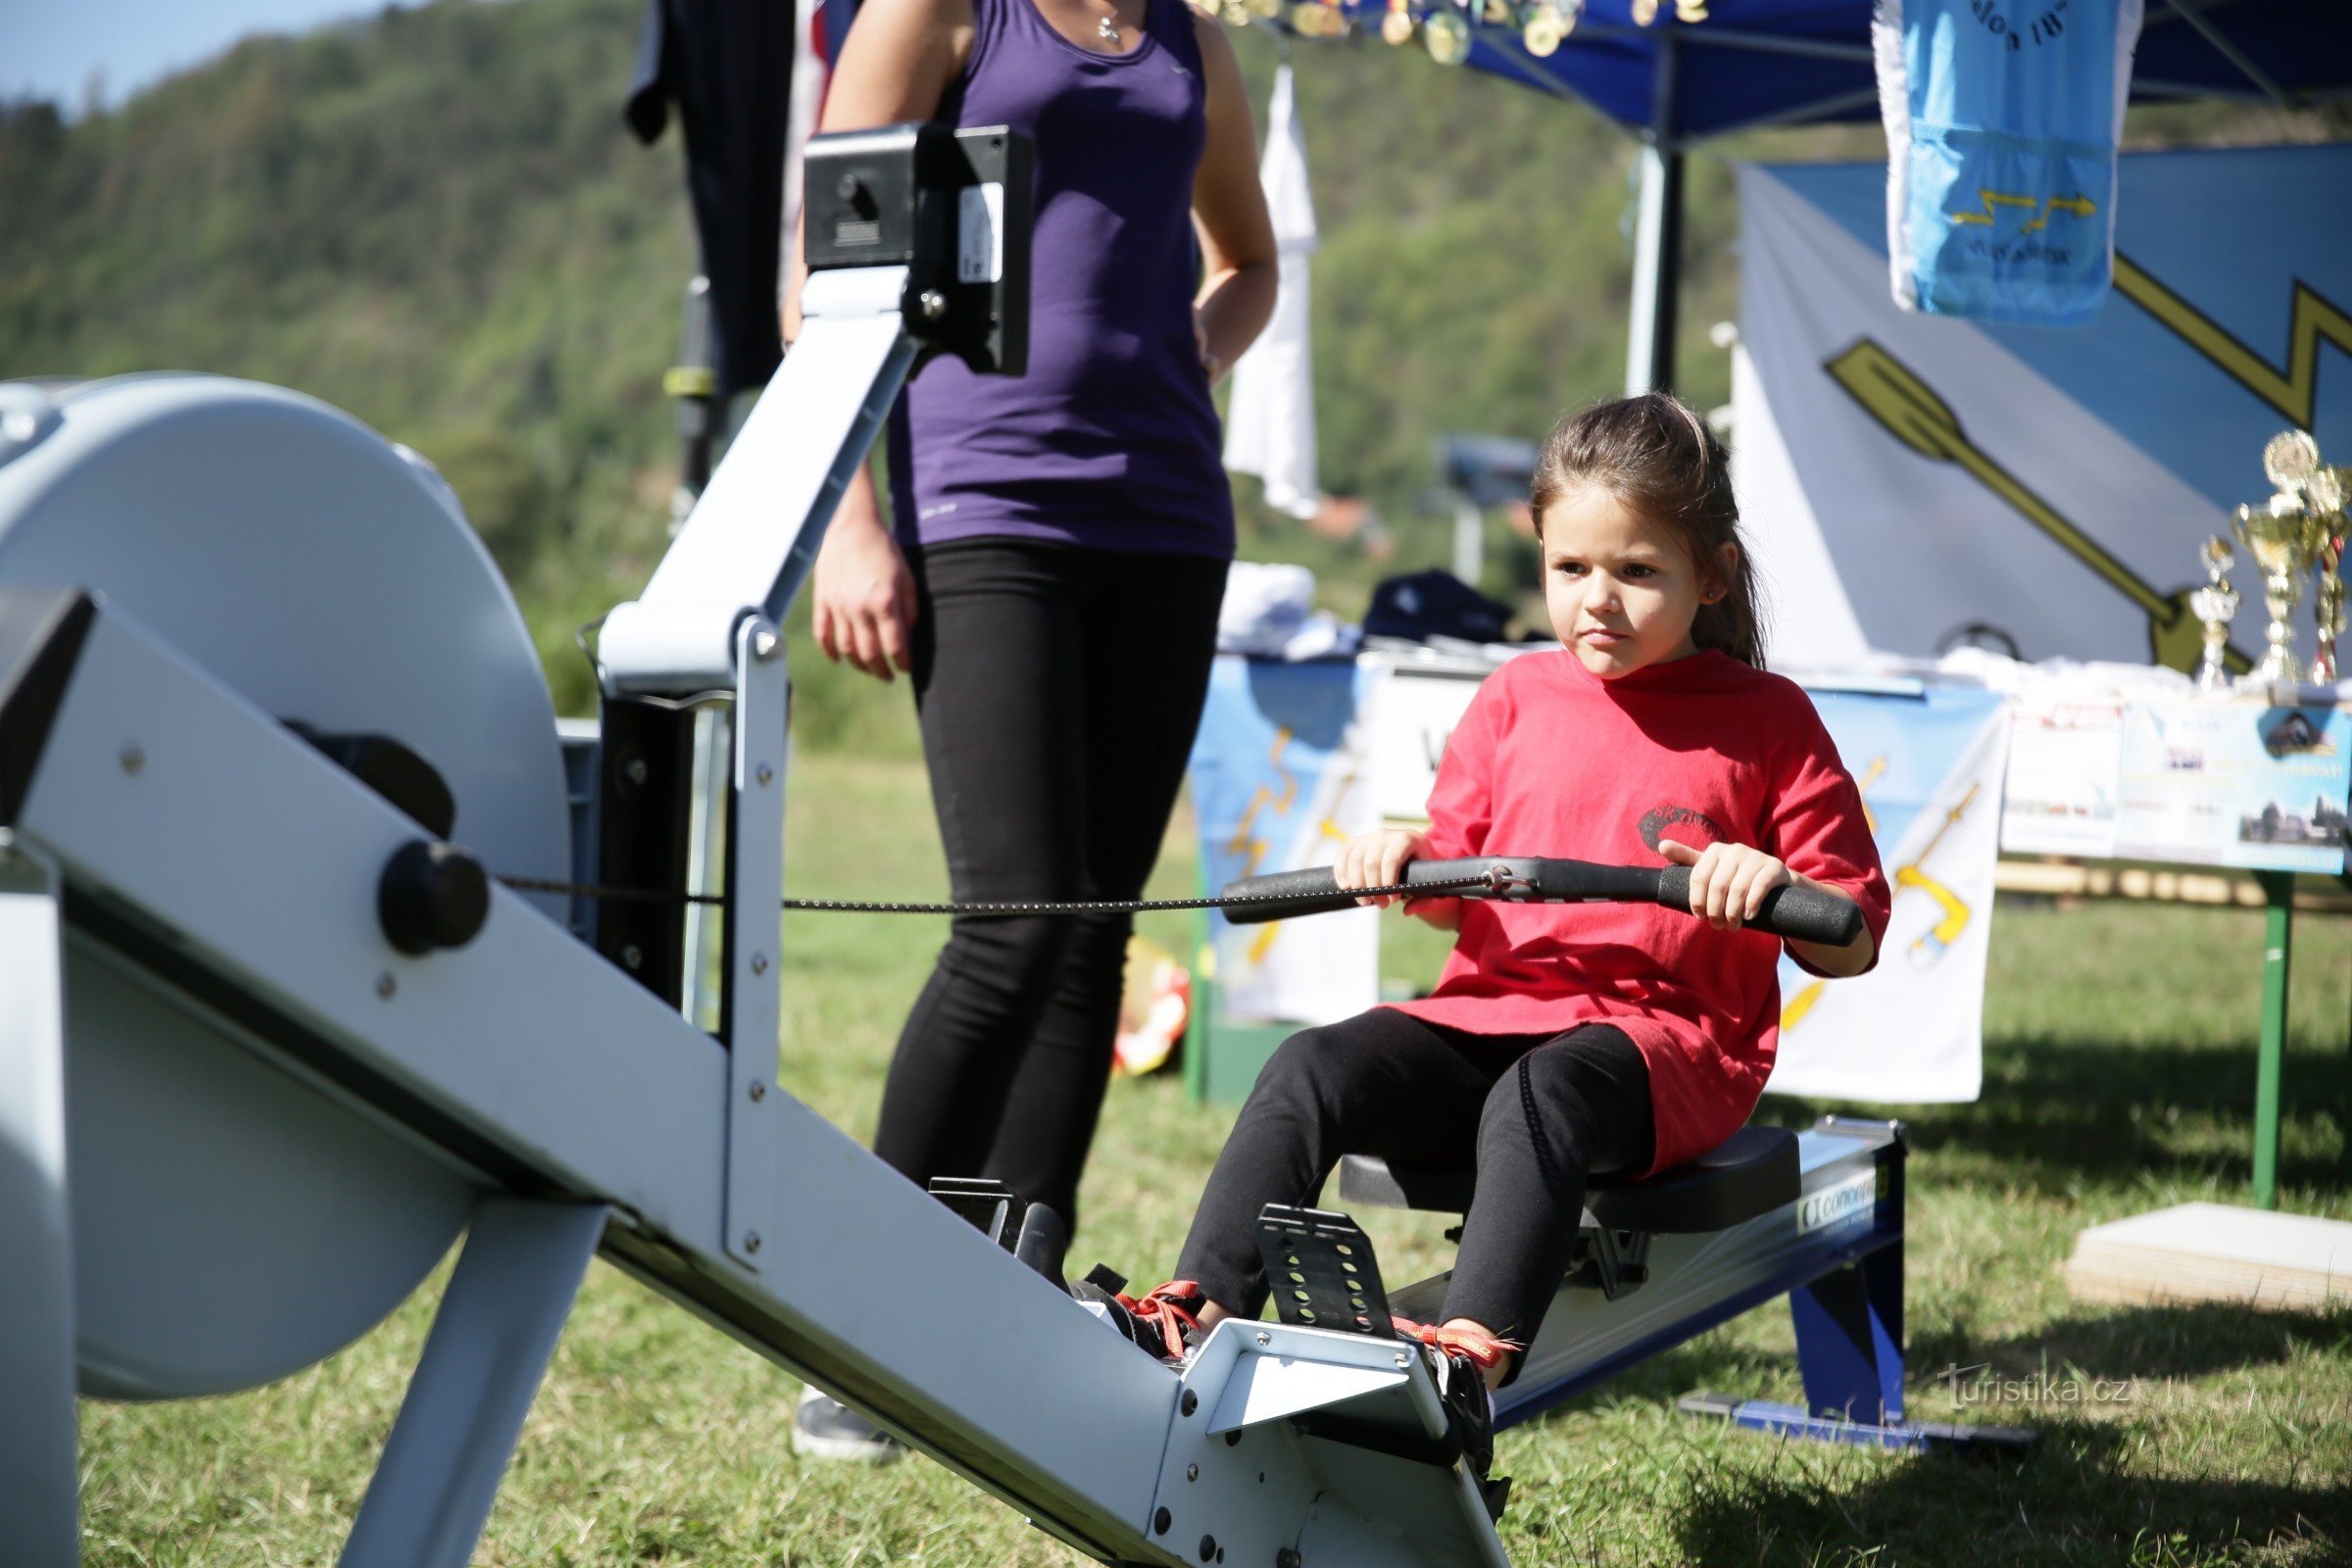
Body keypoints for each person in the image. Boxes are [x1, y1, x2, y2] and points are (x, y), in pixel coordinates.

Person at [1077, 393, 1891, 1475]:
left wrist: (1769, 877)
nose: (1598, 600)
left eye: (1637, 572)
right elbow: (1453, 869)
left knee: (1543, 1091)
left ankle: (1464, 1365)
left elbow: (1853, 933)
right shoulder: (1515, 694)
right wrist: (1398, 860)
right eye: (1570, 570)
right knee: (1310, 1063)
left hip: (1664, 1044)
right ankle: (1194, 1307)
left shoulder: (1769, 718)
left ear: (1716, 575)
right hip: (1490, 1012)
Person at [782, 0, 1277, 1460]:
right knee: (1009, 923)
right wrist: (846, 519)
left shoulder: (1193, 35)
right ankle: (850, 1332)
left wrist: (1182, 357)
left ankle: (1009, 1299)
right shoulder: (943, 10)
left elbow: (1248, 263)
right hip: (988, 503)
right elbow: (822, 262)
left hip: (1170, 521)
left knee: (1093, 928)